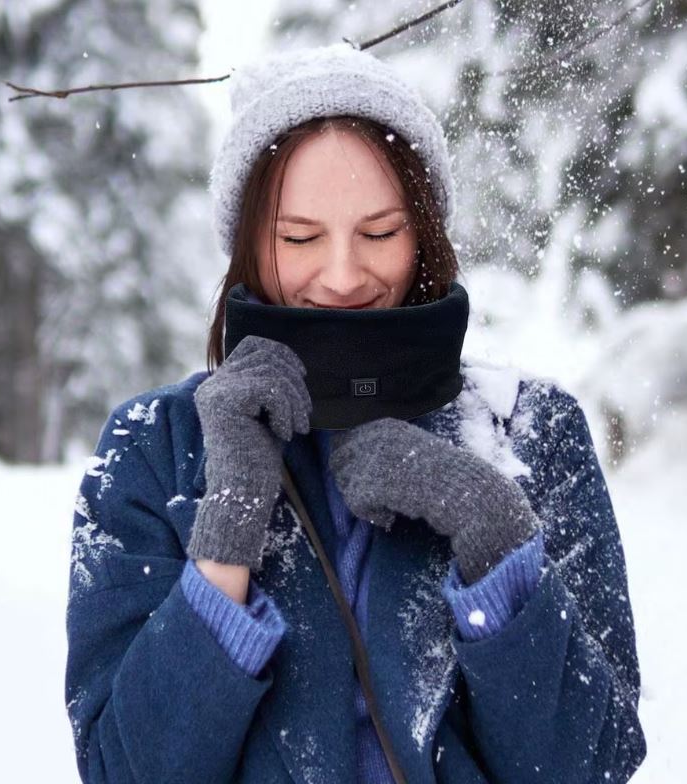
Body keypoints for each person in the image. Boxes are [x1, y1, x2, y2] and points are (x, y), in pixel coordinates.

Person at [64, 42, 647, 784]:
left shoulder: (535, 430)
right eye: (299, 237)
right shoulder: (153, 446)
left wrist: (493, 537)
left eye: (379, 232)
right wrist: (226, 537)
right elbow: (124, 773)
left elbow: (589, 767)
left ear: (425, 237)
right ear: (246, 244)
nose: (342, 275)